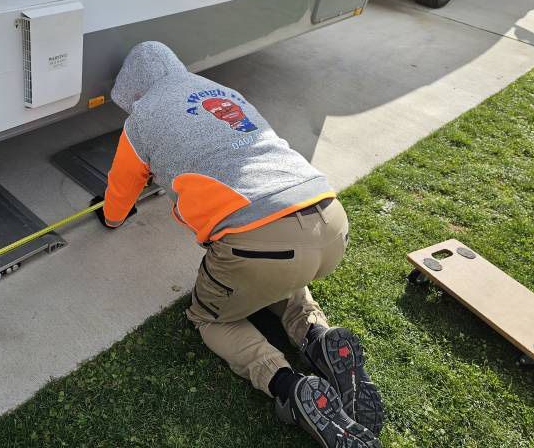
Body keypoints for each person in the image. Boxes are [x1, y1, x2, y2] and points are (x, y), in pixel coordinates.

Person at [94, 41, 384, 448]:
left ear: (134, 90)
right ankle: (318, 336)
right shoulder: (220, 91)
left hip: (257, 242)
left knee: (211, 318)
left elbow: (121, 190)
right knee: (281, 273)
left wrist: (110, 217)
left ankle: (287, 385)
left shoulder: (141, 119)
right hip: (328, 217)